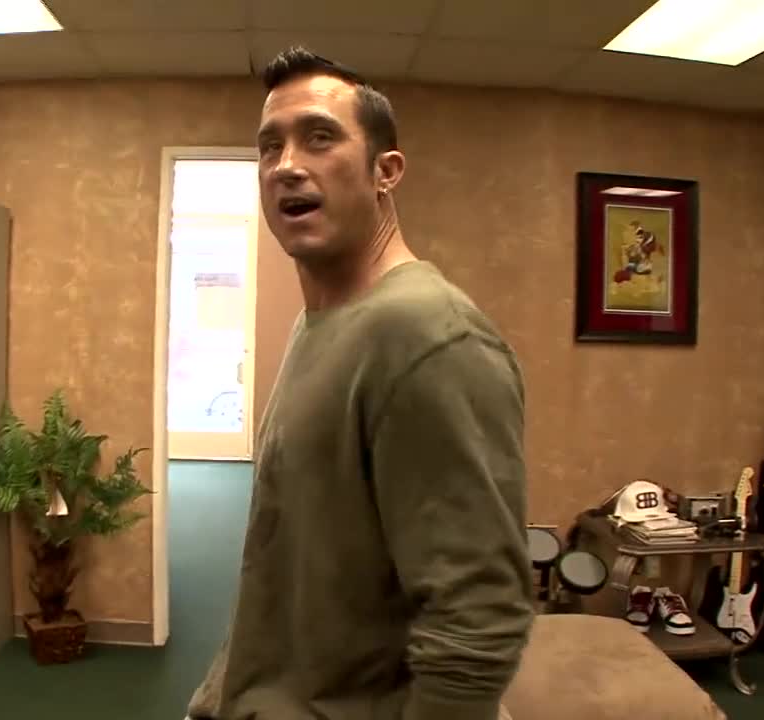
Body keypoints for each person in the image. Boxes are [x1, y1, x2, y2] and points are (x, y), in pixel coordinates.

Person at [186, 46, 533, 720]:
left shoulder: (427, 336)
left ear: (386, 171)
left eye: (320, 137)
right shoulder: (321, 321)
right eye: (270, 146)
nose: (287, 165)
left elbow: (477, 620)